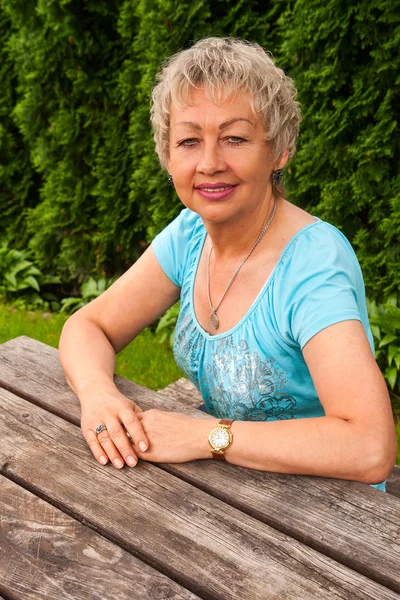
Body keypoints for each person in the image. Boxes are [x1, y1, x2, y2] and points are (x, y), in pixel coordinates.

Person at [59, 37, 396, 491]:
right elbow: (88, 326)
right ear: (168, 156)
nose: (210, 163)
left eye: (235, 138)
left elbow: (369, 448)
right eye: (189, 141)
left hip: (332, 513)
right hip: (233, 489)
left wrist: (208, 435)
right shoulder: (190, 234)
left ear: (279, 151)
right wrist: (98, 395)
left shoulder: (313, 264)